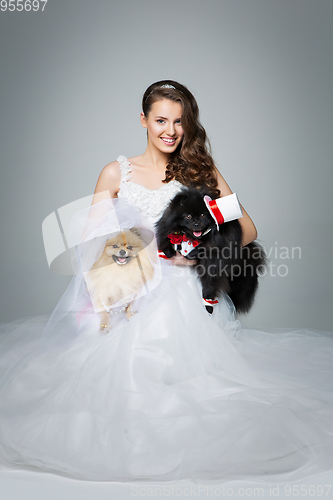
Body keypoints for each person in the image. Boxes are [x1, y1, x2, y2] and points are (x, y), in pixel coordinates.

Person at [0, 80, 333, 486]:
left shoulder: (202, 170)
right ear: (143, 120)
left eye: (179, 122)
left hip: (185, 294)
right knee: (113, 378)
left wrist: (196, 254)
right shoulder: (115, 172)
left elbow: (247, 228)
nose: (170, 131)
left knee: (183, 377)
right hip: (132, 289)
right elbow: (91, 243)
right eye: (160, 120)